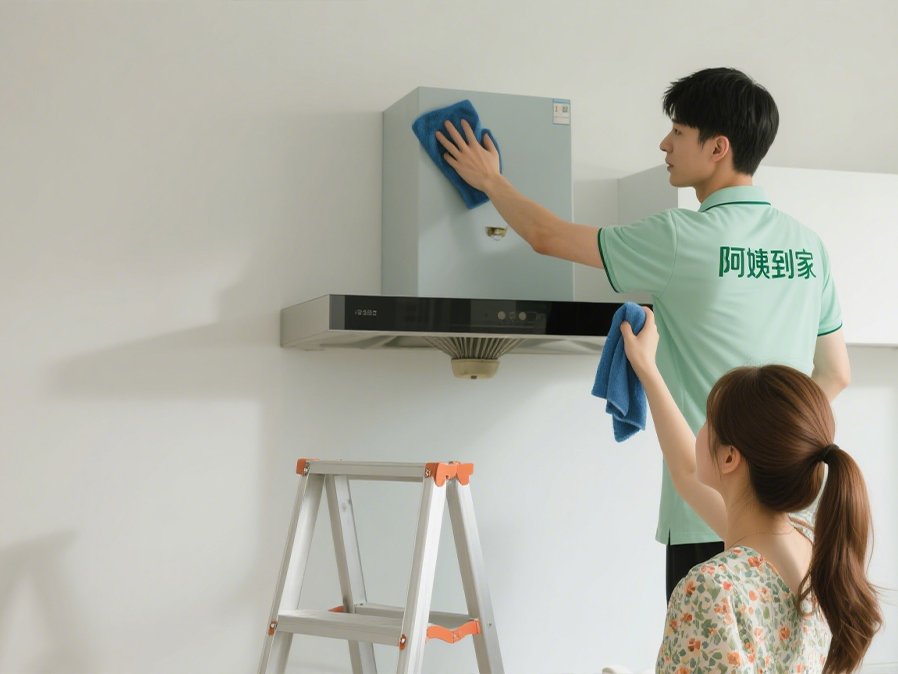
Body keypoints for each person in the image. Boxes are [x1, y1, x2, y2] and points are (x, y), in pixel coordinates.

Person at [436, 67, 851, 600]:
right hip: (792, 515)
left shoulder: (680, 237)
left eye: (678, 132)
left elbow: (546, 236)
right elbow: (836, 374)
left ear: (718, 147)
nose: (665, 144)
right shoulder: (808, 246)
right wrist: (777, 439)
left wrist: (490, 180)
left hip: (707, 506)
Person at [619, 306, 880, 674]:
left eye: (708, 419)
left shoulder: (711, 589)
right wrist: (647, 368)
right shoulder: (812, 549)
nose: (700, 429)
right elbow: (686, 472)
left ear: (729, 457)